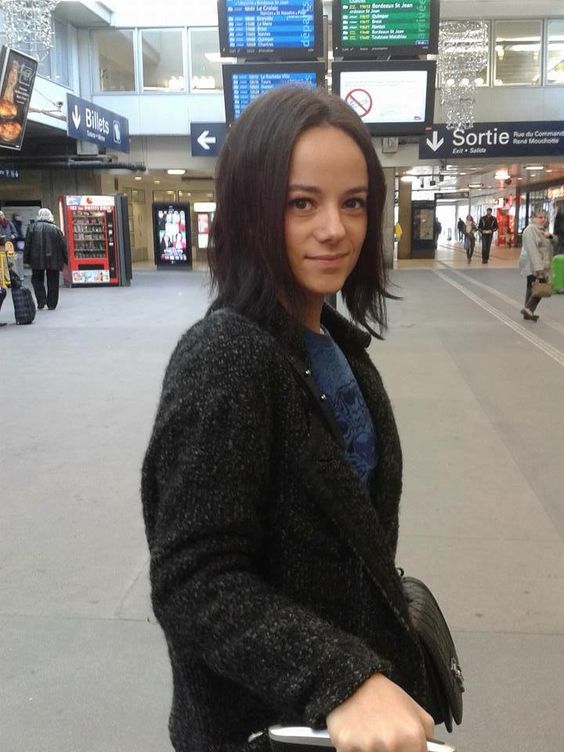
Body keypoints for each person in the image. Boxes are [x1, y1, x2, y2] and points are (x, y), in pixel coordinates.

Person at [142, 86, 435, 752]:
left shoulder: (332, 344)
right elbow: (193, 581)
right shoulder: (225, 358)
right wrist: (341, 676)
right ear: (251, 209)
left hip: (343, 720)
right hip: (269, 726)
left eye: (353, 203)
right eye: (302, 202)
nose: (335, 228)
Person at [23, 207, 68, 310]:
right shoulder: (56, 229)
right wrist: (66, 260)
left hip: (36, 259)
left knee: (36, 279)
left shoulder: (32, 227)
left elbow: (27, 245)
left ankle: (41, 300)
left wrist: (26, 259)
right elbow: (63, 246)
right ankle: (52, 304)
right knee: (53, 281)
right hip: (54, 259)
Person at [519, 207, 555, 321]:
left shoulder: (542, 230)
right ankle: (529, 309)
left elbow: (554, 241)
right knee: (542, 286)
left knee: (531, 287)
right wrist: (539, 268)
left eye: (545, 217)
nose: (543, 219)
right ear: (533, 218)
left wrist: (550, 236)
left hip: (539, 263)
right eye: (540, 217)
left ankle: (528, 312)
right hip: (533, 264)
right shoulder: (530, 230)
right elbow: (532, 250)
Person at [11, 212, 25, 280]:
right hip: (18, 242)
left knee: (19, 259)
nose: (20, 218)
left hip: (19, 242)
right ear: (15, 217)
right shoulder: (14, 224)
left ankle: (19, 275)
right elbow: (17, 234)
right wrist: (22, 238)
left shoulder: (18, 224)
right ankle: (19, 275)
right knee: (18, 259)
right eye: (19, 216)